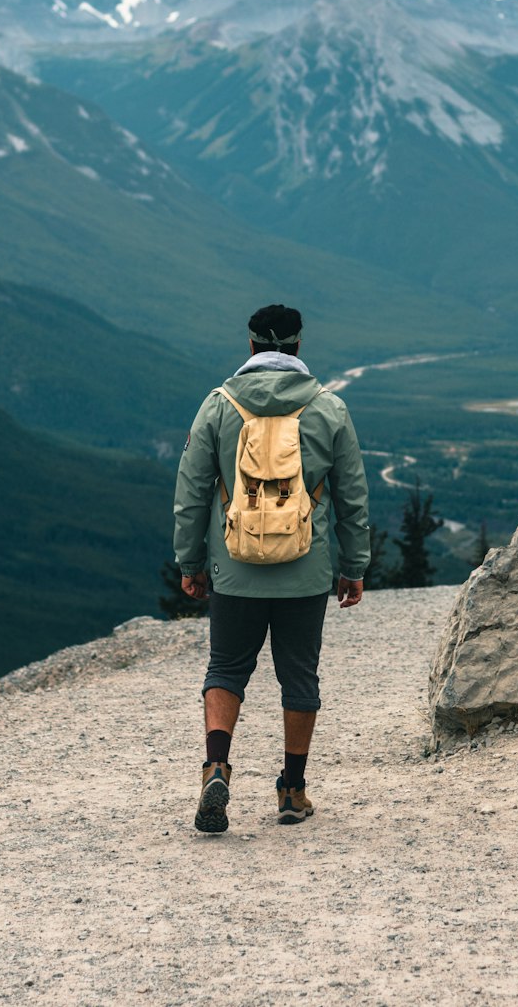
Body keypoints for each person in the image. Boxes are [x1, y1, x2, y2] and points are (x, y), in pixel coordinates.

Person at [173, 303, 370, 832]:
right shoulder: (329, 409)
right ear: (299, 347)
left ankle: (217, 765)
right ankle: (292, 790)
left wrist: (191, 561)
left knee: (226, 669)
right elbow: (352, 498)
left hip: (235, 568)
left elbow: (192, 494)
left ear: (252, 346)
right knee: (298, 676)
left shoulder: (217, 407)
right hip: (306, 570)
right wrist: (353, 567)